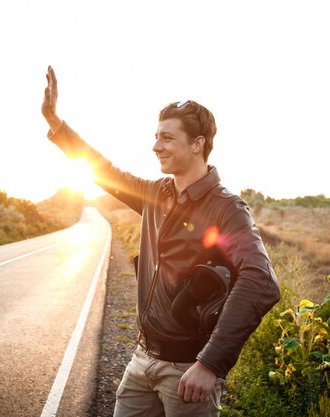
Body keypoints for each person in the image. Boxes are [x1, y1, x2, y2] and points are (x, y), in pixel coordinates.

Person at [42, 66, 280, 417]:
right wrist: (56, 125)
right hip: (142, 359)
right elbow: (104, 171)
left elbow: (261, 281)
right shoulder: (157, 193)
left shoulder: (226, 208)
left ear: (198, 144)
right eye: (156, 136)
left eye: (167, 138)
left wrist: (210, 364)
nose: (155, 146)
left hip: (188, 372)